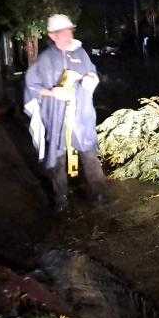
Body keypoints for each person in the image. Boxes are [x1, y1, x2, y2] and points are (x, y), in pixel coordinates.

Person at [23, 14, 108, 212]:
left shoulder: (81, 54)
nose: (67, 34)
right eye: (62, 32)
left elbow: (92, 72)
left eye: (70, 30)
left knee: (89, 155)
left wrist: (92, 79)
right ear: (53, 35)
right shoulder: (44, 59)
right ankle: (61, 200)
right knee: (58, 159)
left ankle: (100, 196)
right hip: (57, 118)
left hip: (81, 117)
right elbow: (31, 86)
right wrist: (51, 92)